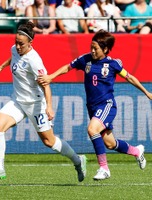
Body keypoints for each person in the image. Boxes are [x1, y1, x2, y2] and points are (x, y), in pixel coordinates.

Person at [38, 29, 151, 180]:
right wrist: (51, 77)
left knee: (92, 129)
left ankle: (104, 168)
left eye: (95, 48)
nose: (92, 50)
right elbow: (67, 67)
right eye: (91, 47)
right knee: (110, 144)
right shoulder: (85, 60)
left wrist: (147, 92)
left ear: (105, 49)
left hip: (106, 105)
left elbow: (130, 78)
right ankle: (137, 151)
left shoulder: (112, 64)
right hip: (92, 107)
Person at [0, 21, 86, 182]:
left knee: (49, 142)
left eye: (21, 44)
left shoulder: (34, 61)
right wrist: (1, 67)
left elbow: (45, 85)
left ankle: (78, 160)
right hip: (18, 102)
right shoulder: (15, 49)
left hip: (36, 105)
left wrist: (50, 108)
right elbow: (13, 57)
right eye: (16, 43)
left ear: (30, 43)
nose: (18, 47)